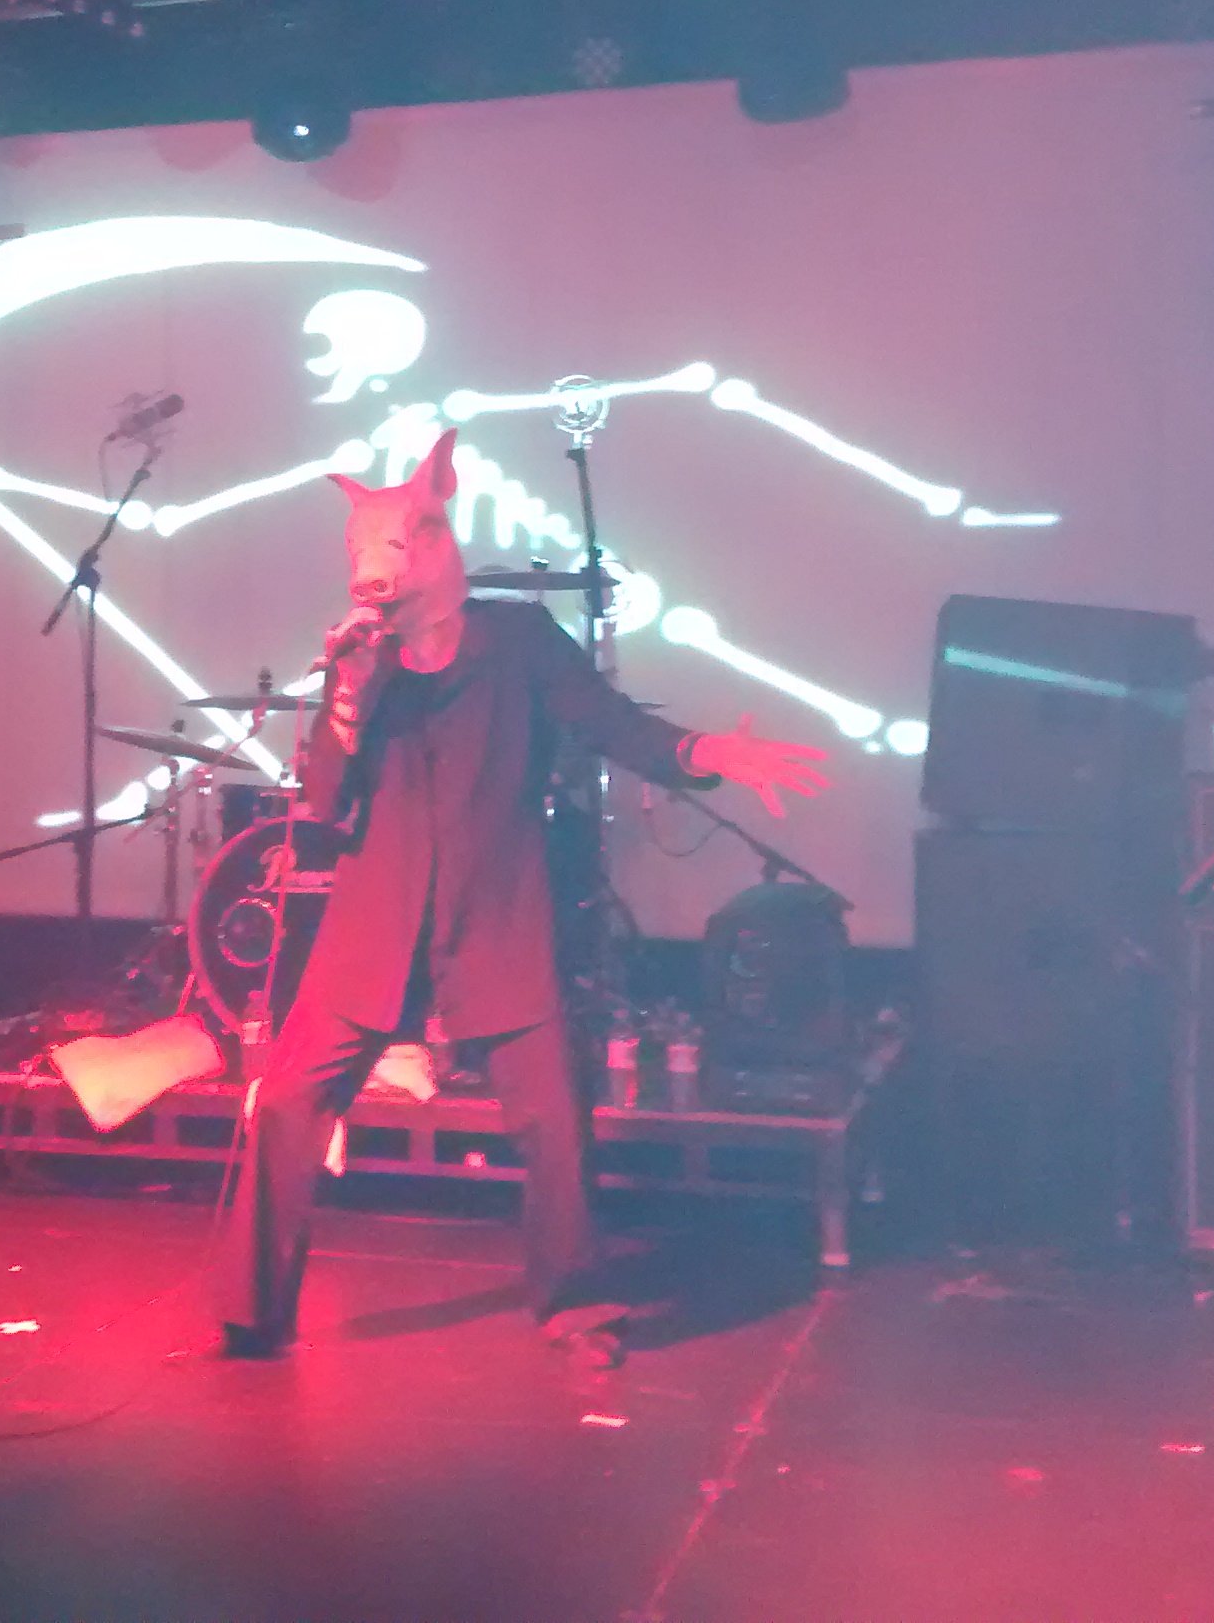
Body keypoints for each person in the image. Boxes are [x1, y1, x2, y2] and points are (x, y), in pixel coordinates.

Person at [214, 430, 826, 1364]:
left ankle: (577, 1307)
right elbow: (326, 802)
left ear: (435, 543)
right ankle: (253, 1313)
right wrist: (346, 699)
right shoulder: (365, 665)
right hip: (377, 925)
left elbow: (611, 723)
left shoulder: (519, 642)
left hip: (496, 919)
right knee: (289, 1101)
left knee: (554, 1120)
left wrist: (705, 752)